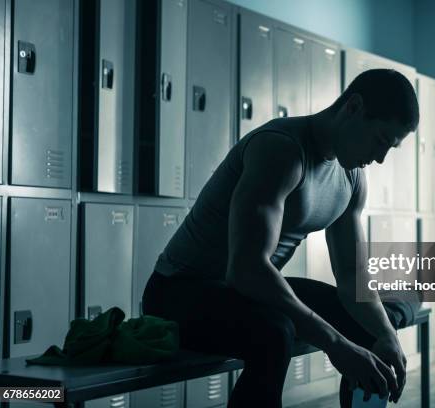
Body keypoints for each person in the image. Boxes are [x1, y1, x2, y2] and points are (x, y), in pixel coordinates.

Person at [142, 68, 420, 407]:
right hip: (179, 293)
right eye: (379, 140)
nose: (380, 158)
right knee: (274, 333)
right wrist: (334, 344)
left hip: (242, 294)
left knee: (366, 326)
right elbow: (246, 269)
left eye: (389, 148)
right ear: (354, 107)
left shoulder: (352, 178)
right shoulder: (281, 150)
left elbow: (351, 275)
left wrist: (387, 336)